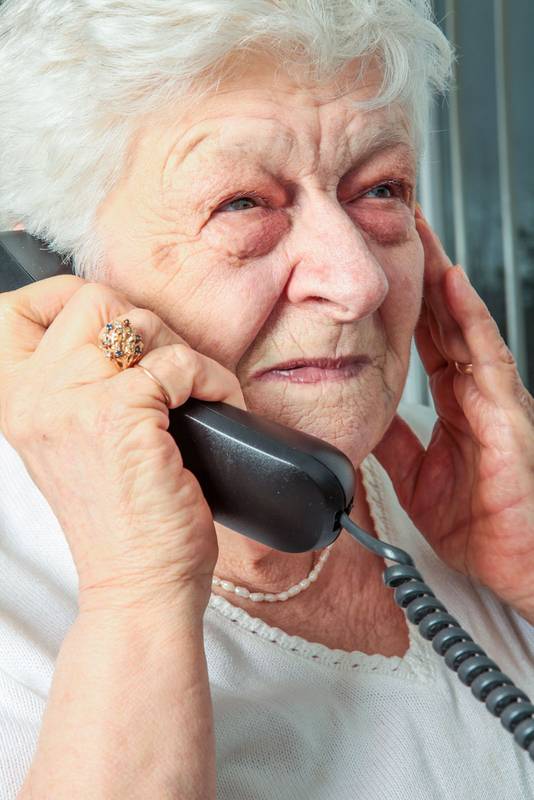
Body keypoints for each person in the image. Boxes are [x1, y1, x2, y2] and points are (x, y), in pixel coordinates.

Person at [0, 0, 533, 798]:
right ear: (63, 272)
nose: (357, 281)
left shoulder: (480, 491)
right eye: (243, 203)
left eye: (380, 188)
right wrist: (138, 600)